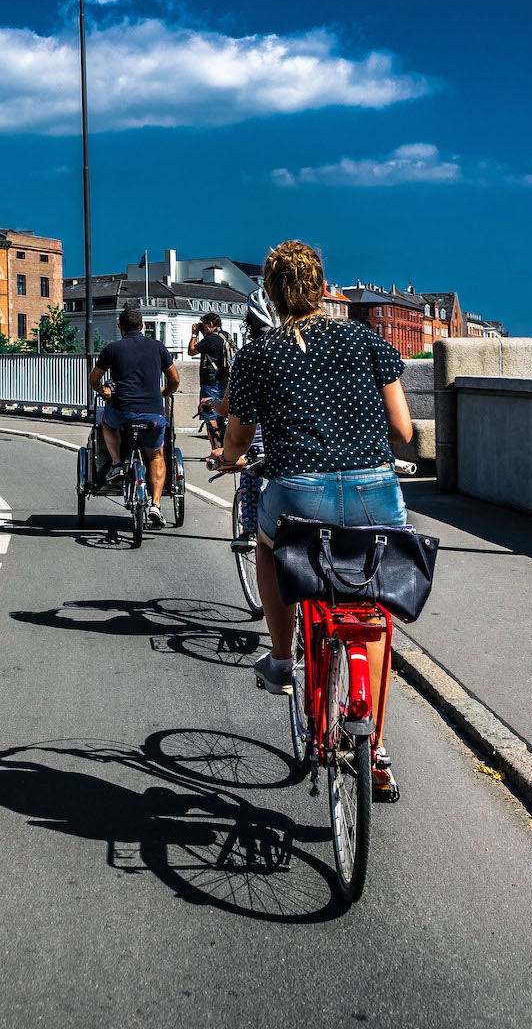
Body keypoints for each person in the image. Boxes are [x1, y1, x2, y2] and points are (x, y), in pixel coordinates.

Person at [219, 240, 414, 795]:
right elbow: (402, 430)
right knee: (370, 610)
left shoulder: (258, 355)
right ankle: (373, 744)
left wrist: (230, 457)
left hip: (299, 496)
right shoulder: (365, 340)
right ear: (322, 286)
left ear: (273, 295)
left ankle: (282, 660)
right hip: (375, 488)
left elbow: (239, 438)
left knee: (267, 546)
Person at [90, 305, 179, 527]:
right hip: (153, 415)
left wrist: (104, 392)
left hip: (123, 412)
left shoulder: (112, 349)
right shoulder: (158, 347)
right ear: (143, 326)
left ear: (120, 328)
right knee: (157, 456)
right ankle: (155, 505)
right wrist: (165, 392)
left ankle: (118, 463)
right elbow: (175, 380)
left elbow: (93, 380)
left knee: (106, 421)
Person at [220, 290, 277, 552]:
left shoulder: (246, 357)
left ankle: (250, 530)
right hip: (306, 445)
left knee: (250, 470)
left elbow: (231, 411)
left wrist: (228, 457)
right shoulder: (308, 351)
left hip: (260, 443)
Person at [187, 311, 231, 462]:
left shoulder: (211, 339)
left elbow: (191, 351)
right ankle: (226, 451)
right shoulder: (226, 336)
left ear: (210, 325)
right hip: (225, 382)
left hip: (210, 382)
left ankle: (215, 452)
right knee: (223, 416)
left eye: (203, 326)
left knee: (210, 415)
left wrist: (194, 335)